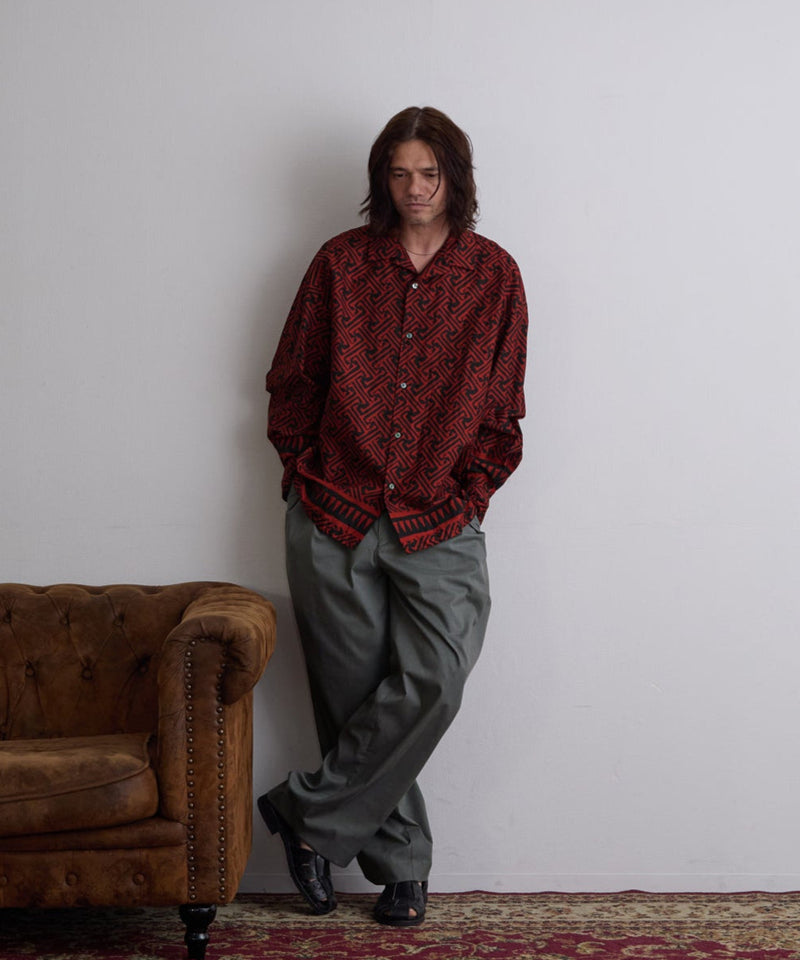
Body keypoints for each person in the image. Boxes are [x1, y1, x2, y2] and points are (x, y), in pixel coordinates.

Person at [260, 105, 528, 927]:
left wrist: (471, 493)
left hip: (439, 517)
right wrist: (302, 472)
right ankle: (402, 869)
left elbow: (503, 405)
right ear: (383, 178)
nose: (415, 188)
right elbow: (292, 379)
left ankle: (305, 816)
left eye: (430, 173)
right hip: (333, 510)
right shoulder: (340, 264)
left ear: (456, 179)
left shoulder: (493, 275)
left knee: (434, 679)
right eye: (400, 173)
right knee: (355, 700)